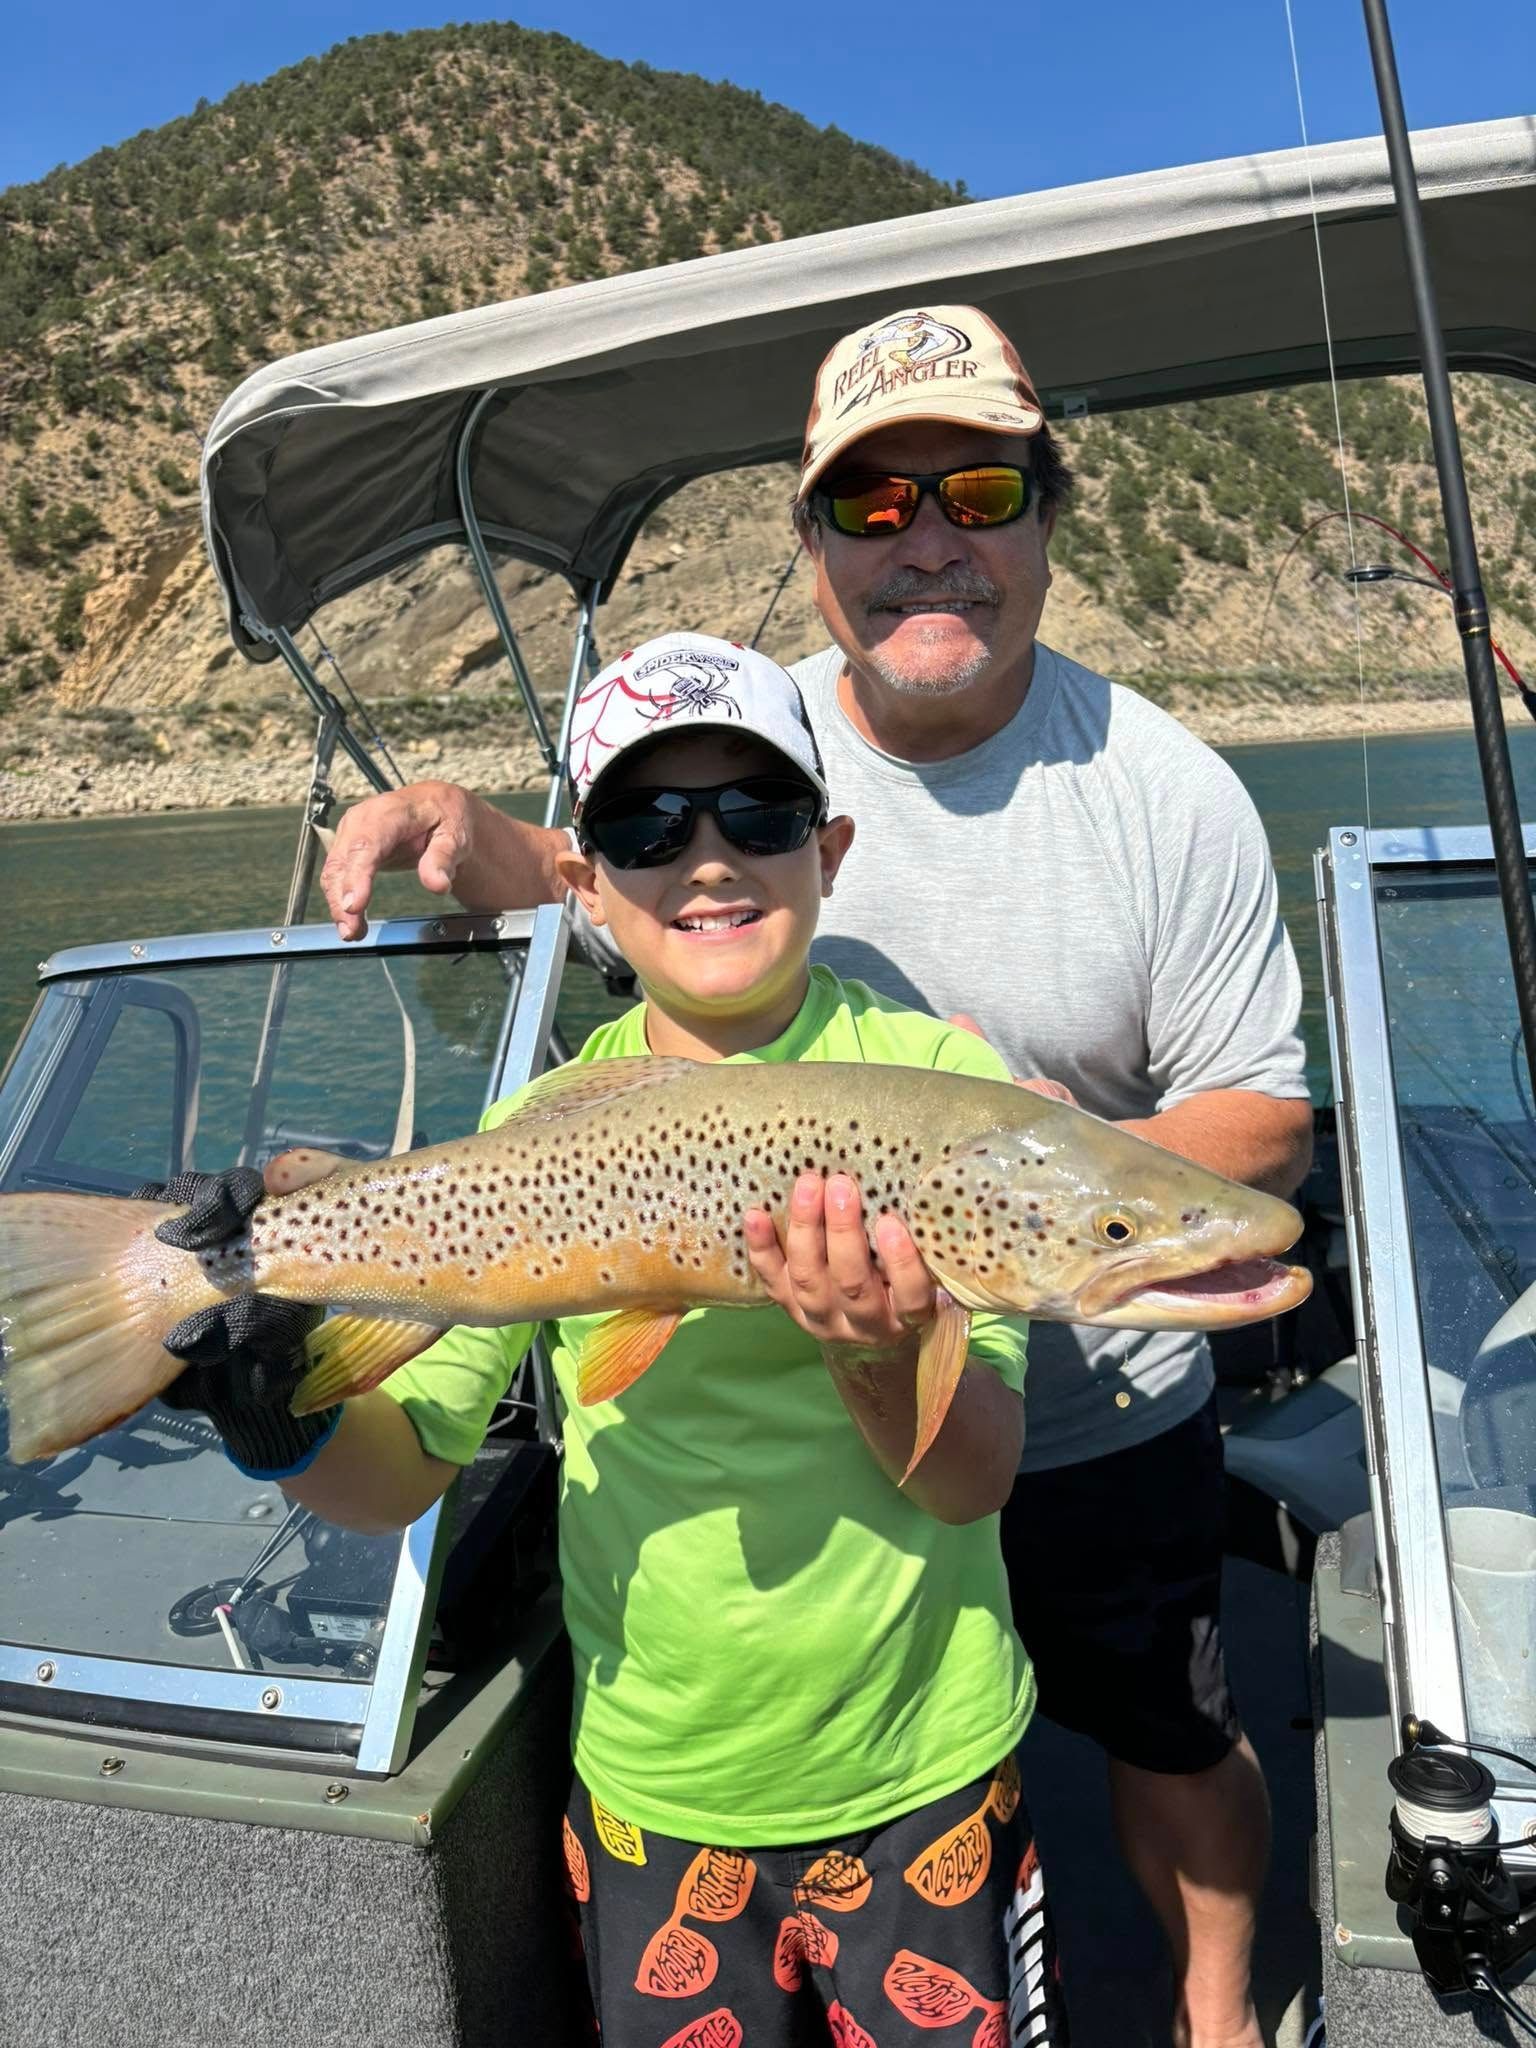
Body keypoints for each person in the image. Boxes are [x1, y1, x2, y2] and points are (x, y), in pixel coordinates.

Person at [316, 306, 1313, 2048]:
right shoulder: (761, 762)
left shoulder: (1170, 791)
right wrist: (492, 845)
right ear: (814, 542)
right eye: (874, 506)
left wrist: (995, 1209)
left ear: (1045, 517)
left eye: (979, 490)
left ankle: (1223, 2023)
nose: (930, 537)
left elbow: (1265, 1123)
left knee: (1169, 1727)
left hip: (1071, 1369)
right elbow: (644, 841)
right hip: (746, 1611)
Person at [147, 634, 1069, 2048]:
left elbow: (969, 1481)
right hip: (653, 1783)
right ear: (580, 882)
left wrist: (877, 1351)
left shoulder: (944, 1093)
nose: (708, 860)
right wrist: (274, 1412)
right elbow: (392, 1480)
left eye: (756, 817)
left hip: (925, 1771)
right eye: (647, 826)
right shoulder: (531, 1138)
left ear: (829, 848)